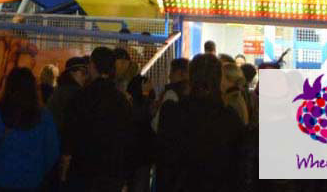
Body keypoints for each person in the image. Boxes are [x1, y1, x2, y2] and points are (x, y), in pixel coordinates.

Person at [156, 52, 244, 192]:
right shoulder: (229, 118)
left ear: (191, 77)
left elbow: (164, 162)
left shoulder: (172, 112)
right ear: (219, 79)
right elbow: (237, 166)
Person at [61, 46, 135, 191]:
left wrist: (64, 172)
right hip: (111, 175)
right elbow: (128, 139)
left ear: (93, 66)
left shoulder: (80, 97)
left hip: (82, 172)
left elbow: (69, 135)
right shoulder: (122, 101)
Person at [0, 66, 58, 192]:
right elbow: (52, 151)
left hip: (0, 180)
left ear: (8, 87)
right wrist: (39, 171)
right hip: (32, 181)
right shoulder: (44, 116)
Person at [45, 58, 87, 136]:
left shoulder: (61, 89)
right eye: (83, 72)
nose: (86, 77)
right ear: (72, 72)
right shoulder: (73, 93)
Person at [152, 59, 189, 134]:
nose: (169, 76)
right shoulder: (193, 92)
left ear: (179, 73)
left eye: (171, 72)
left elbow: (156, 125)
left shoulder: (171, 93)